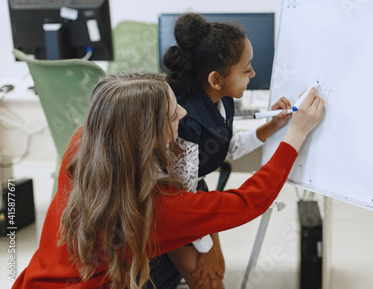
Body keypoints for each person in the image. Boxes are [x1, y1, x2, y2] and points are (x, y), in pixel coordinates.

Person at [12, 71, 324, 289]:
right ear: (147, 134)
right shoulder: (155, 207)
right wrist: (295, 135)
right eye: (173, 116)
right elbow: (247, 202)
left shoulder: (84, 145)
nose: (184, 113)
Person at [162, 13, 293, 288]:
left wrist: (272, 126)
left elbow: (224, 149)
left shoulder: (222, 100)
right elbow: (179, 204)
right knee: (209, 279)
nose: (254, 74)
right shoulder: (185, 122)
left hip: (191, 201)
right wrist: (208, 245)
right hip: (165, 213)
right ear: (215, 79)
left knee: (215, 271)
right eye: (246, 70)